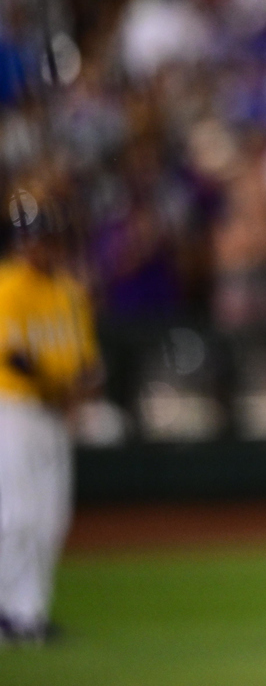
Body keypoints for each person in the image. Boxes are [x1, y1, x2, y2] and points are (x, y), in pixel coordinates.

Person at [0, 189, 102, 643]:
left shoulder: (69, 291)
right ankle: (8, 611)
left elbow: (86, 360)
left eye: (43, 236)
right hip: (15, 410)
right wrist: (64, 390)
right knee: (16, 516)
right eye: (29, 237)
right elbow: (16, 357)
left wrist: (77, 392)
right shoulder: (7, 286)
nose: (37, 245)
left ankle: (29, 615)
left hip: (56, 416)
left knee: (50, 519)